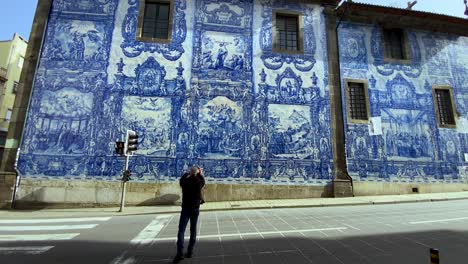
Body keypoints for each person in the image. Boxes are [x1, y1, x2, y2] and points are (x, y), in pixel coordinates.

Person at [173, 166, 205, 263]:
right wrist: (200, 173)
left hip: (186, 208)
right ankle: (190, 251)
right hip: (195, 208)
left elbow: (181, 180)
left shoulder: (185, 182)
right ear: (197, 173)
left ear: (190, 173)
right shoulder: (199, 182)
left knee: (181, 230)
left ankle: (179, 253)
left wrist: (187, 173)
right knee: (193, 229)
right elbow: (202, 180)